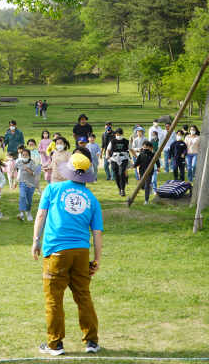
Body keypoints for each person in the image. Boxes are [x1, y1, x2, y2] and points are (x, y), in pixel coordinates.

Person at [31, 154, 103, 356]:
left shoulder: (52, 189)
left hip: (56, 251)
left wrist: (36, 240)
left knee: (54, 299)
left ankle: (55, 344)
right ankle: (91, 342)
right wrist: (97, 259)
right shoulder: (92, 199)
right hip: (81, 252)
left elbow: (41, 215)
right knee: (83, 296)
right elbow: (97, 233)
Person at [106, 128, 137, 196]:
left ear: (122, 134)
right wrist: (107, 155)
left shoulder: (126, 141)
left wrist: (136, 156)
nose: (118, 135)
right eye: (117, 134)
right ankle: (120, 189)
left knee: (121, 173)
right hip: (114, 158)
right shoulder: (112, 141)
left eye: (119, 134)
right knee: (116, 175)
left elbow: (131, 149)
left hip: (123, 158)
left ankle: (123, 190)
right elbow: (108, 150)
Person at [14, 148, 38, 222]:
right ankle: (21, 213)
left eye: (26, 155)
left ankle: (28, 212)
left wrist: (27, 170)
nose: (24, 157)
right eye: (23, 155)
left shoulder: (32, 163)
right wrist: (12, 174)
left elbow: (34, 174)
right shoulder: (19, 162)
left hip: (31, 184)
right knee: (22, 196)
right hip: (22, 182)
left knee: (29, 201)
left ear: (29, 156)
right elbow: (14, 168)